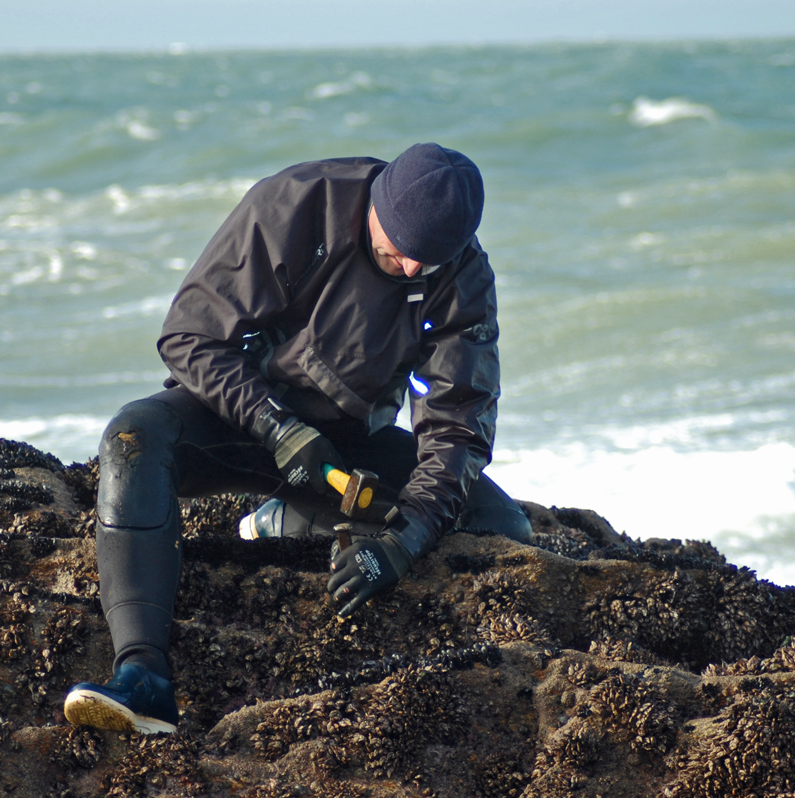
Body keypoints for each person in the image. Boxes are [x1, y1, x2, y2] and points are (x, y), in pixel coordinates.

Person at [62, 143, 532, 735]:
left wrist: (402, 543)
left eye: (428, 261)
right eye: (402, 248)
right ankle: (143, 676)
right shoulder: (296, 204)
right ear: (376, 204)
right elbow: (189, 338)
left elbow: (457, 430)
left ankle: (290, 520)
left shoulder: (460, 275)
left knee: (501, 523)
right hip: (238, 417)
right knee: (130, 438)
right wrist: (276, 426)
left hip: (343, 454)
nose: (413, 268)